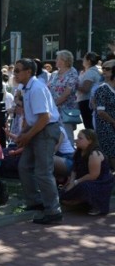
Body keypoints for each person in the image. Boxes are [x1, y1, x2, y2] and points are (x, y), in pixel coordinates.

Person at [14, 58, 63, 225]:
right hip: (38, 129)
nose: (15, 74)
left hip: (46, 130)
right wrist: (23, 133)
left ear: (28, 72)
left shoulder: (36, 89)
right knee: (24, 166)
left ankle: (53, 210)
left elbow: (44, 117)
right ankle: (35, 201)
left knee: (43, 171)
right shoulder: (26, 88)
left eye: (18, 70)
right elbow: (31, 116)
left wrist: (27, 136)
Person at [60, 129, 114, 215]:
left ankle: (96, 206)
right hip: (83, 179)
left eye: (80, 138)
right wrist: (71, 181)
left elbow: (93, 176)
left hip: (100, 182)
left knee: (85, 186)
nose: (76, 140)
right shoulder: (78, 152)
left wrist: (76, 182)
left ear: (90, 141)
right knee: (63, 195)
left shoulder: (94, 154)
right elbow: (74, 168)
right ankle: (82, 202)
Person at [48, 50, 79, 141]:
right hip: (53, 108)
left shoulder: (72, 73)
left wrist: (53, 105)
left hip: (67, 109)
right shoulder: (54, 74)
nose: (55, 61)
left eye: (57, 59)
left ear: (64, 61)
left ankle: (69, 154)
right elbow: (47, 88)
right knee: (54, 133)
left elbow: (67, 93)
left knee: (66, 134)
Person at [94, 59, 115, 170]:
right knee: (112, 152)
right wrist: (113, 122)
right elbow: (101, 111)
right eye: (103, 68)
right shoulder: (102, 89)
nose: (104, 71)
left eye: (107, 69)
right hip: (106, 126)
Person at [77, 52, 101, 130]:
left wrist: (74, 84)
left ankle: (92, 142)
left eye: (84, 59)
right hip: (88, 101)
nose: (82, 60)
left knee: (89, 126)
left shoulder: (90, 72)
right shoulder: (92, 71)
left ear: (89, 61)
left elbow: (85, 89)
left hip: (86, 102)